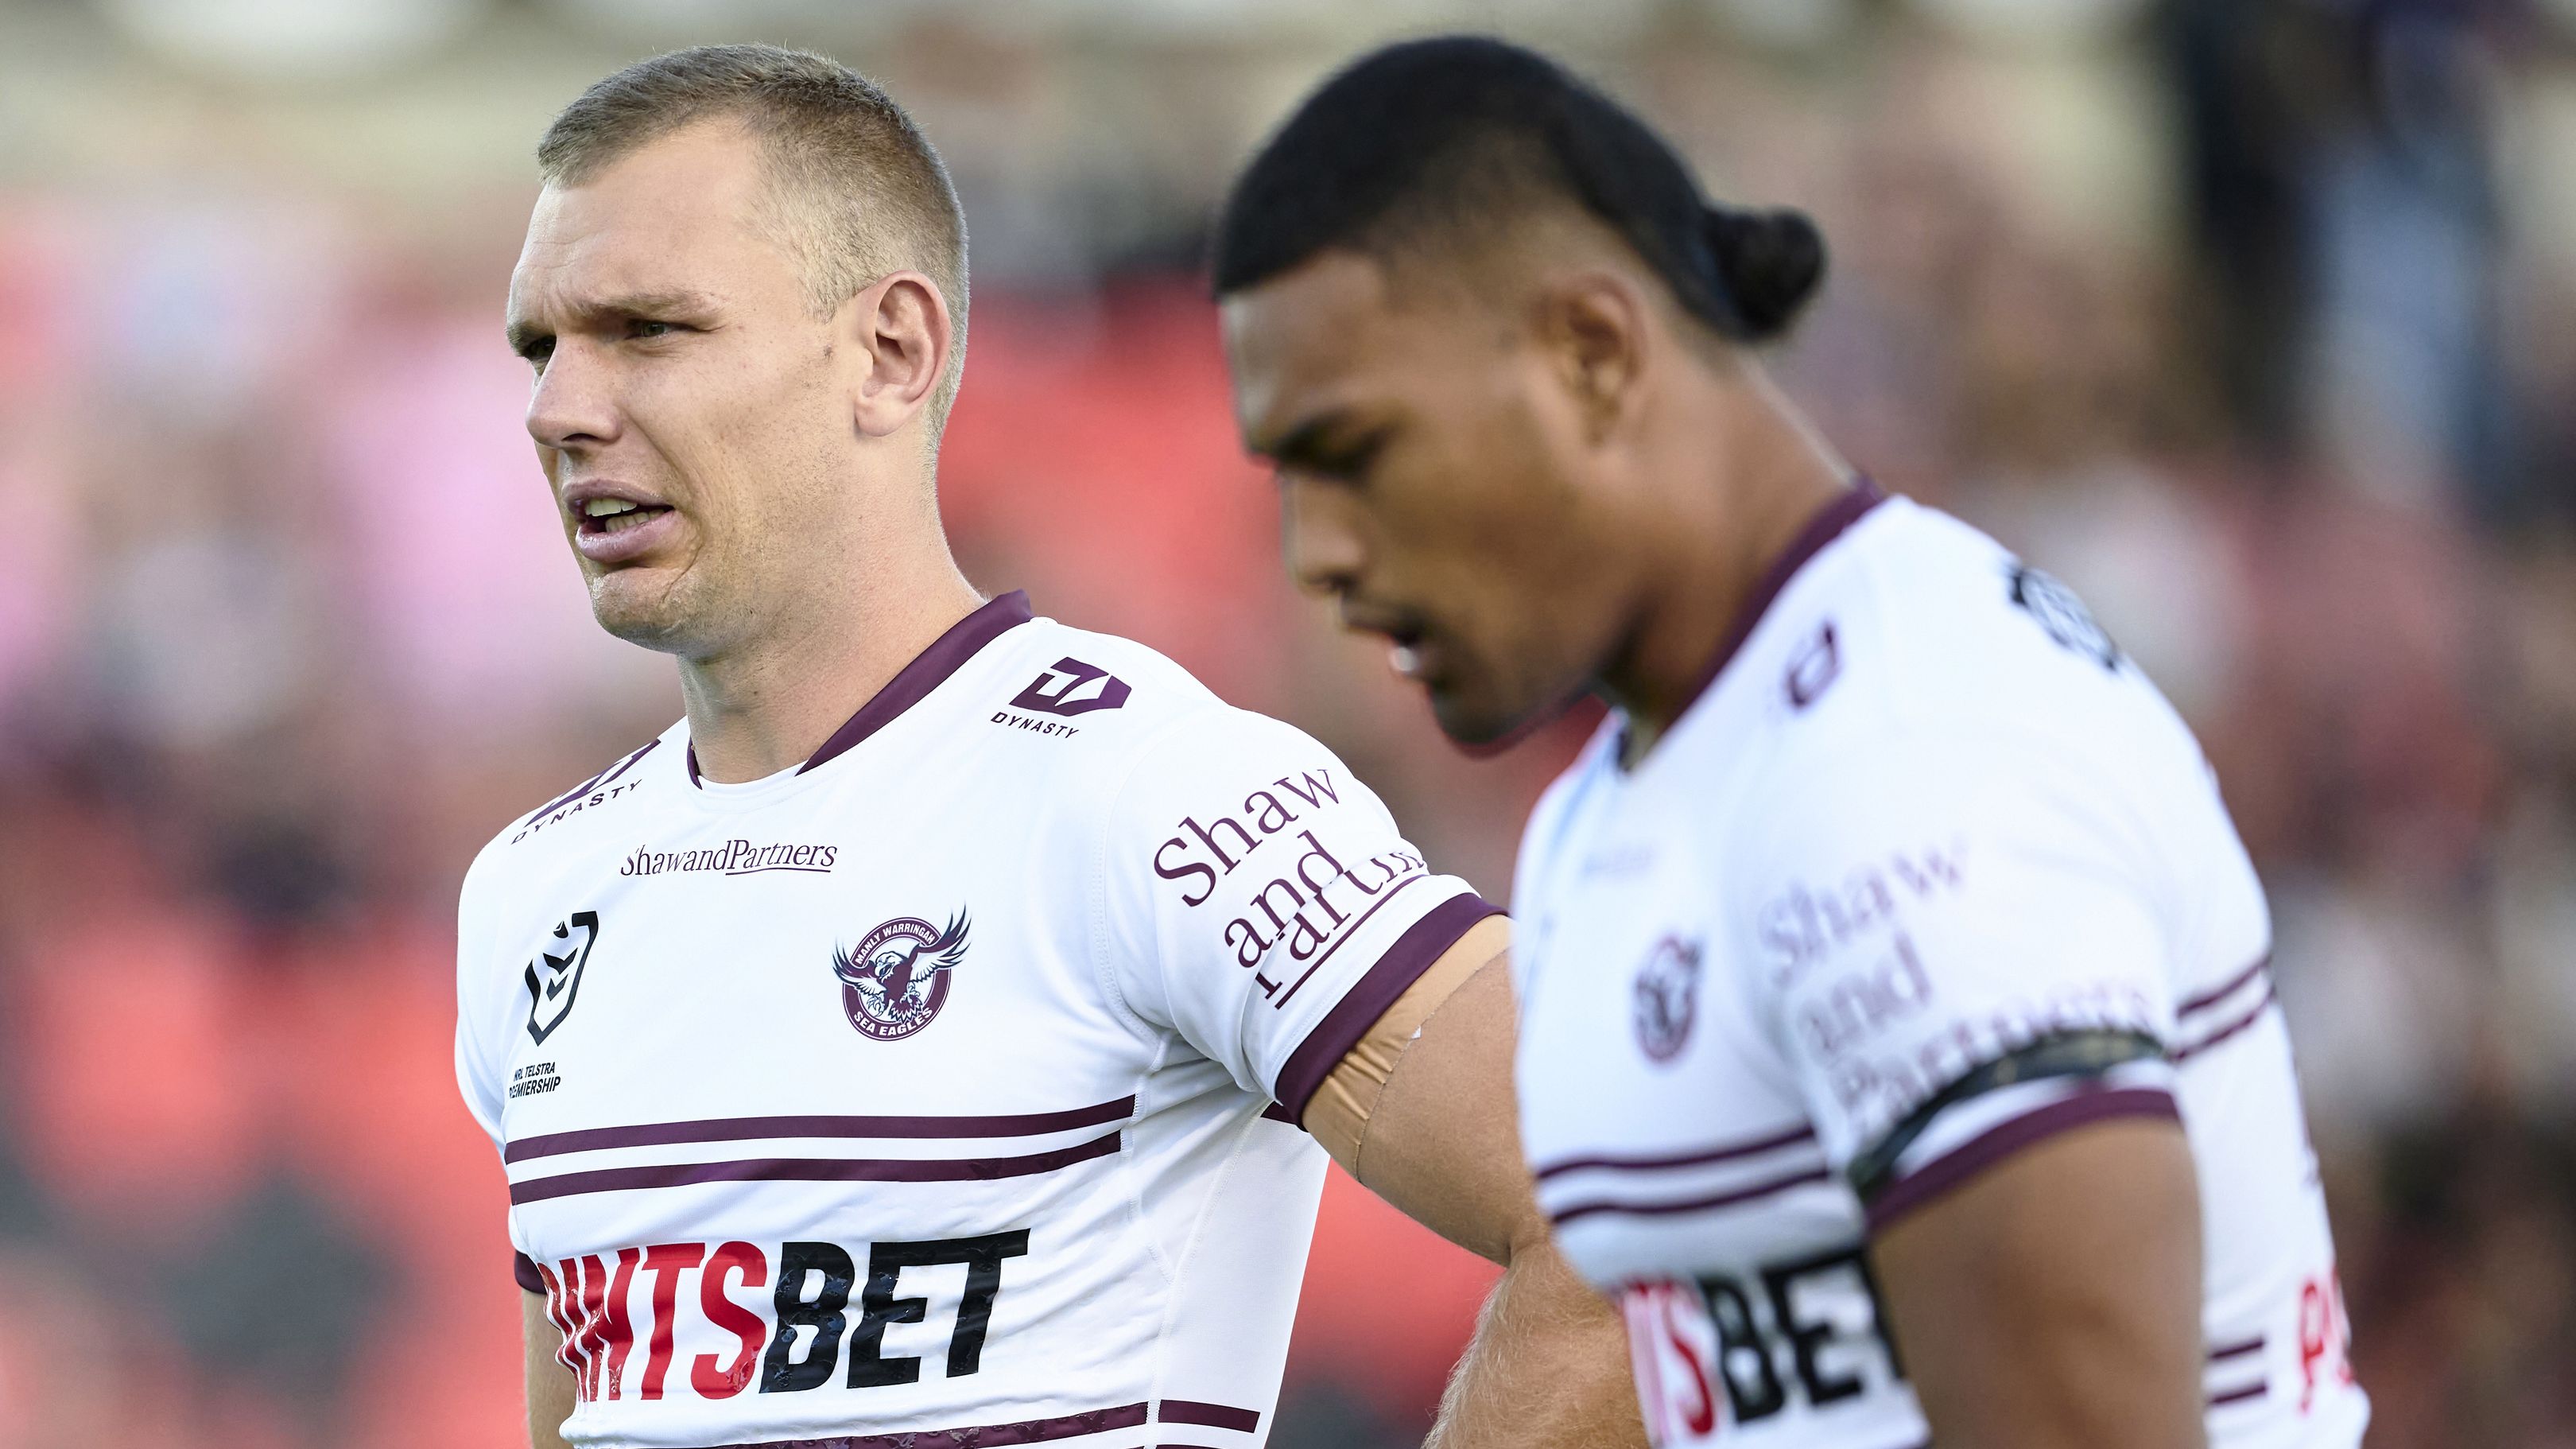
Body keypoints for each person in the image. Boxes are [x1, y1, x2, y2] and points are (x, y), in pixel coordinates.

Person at [456, 44, 1641, 1449]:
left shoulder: (1150, 793)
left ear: (891, 351)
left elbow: (1636, 1210)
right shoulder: (534, 889)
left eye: (648, 330)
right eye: (544, 347)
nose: (560, 409)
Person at [1211, 36, 2368, 1449]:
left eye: (1358, 452)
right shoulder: (1617, 808)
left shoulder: (1910, 762)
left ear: (1592, 353)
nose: (1317, 553)